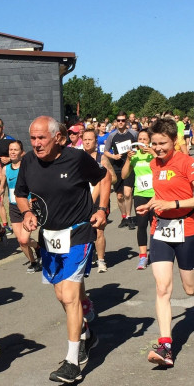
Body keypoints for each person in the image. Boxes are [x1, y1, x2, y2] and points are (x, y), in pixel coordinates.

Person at [16, 116, 111, 384]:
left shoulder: (76, 158)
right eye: (32, 138)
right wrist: (26, 214)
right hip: (50, 236)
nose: (36, 144)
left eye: (41, 138)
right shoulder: (28, 161)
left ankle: (73, 361)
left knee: (70, 296)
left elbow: (104, 179)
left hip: (78, 233)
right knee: (61, 295)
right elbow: (20, 193)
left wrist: (102, 209)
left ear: (58, 138)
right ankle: (86, 334)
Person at [136, 118, 194, 368]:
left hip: (187, 228)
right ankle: (165, 345)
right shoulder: (153, 164)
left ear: (174, 140)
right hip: (161, 230)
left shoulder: (186, 163)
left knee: (191, 288)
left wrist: (172, 205)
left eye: (162, 143)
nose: (157, 148)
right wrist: (152, 204)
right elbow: (162, 193)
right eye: (154, 143)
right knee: (162, 288)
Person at [0, 140, 42, 273]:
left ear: (21, 152)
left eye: (15, 150)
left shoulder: (27, 167)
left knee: (24, 239)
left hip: (26, 207)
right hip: (13, 207)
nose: (12, 152)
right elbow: (2, 188)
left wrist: (33, 198)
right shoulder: (6, 169)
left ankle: (38, 247)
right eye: (10, 150)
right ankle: (34, 261)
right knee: (21, 241)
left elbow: (35, 185)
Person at [81, 128, 114, 273]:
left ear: (96, 141)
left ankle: (101, 260)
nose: (87, 142)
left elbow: (112, 178)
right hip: (82, 200)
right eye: (85, 140)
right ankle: (87, 256)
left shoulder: (102, 158)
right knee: (84, 230)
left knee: (98, 231)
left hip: (99, 201)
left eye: (90, 140)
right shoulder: (78, 158)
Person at [121, 129, 155, 269]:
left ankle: (155, 252)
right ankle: (142, 256)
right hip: (140, 194)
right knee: (141, 225)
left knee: (155, 225)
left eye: (144, 139)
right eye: (139, 139)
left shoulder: (154, 154)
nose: (142, 142)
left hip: (155, 194)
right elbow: (123, 176)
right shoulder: (133, 156)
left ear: (149, 141)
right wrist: (128, 159)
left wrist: (153, 153)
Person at [103, 111, 138, 229]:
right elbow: (106, 151)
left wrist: (135, 153)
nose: (121, 122)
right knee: (119, 196)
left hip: (129, 166)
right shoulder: (112, 136)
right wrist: (114, 156)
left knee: (128, 193)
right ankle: (123, 216)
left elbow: (139, 145)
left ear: (126, 121)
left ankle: (129, 216)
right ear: (116, 122)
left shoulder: (133, 134)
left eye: (123, 120)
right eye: (119, 120)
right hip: (117, 167)